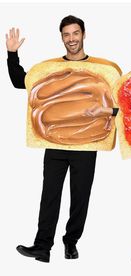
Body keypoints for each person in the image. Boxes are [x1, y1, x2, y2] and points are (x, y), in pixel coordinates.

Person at [6, 15, 121, 263]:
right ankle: (42, 246)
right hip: (55, 142)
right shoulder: (52, 68)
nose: (72, 39)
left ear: (83, 34)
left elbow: (121, 106)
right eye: (67, 34)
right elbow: (19, 82)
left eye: (75, 33)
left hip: (88, 142)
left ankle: (71, 243)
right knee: (50, 195)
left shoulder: (103, 69)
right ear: (61, 37)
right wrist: (12, 54)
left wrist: (106, 112)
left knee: (80, 197)